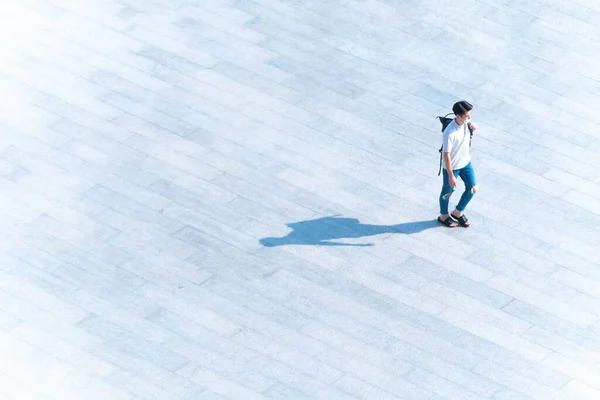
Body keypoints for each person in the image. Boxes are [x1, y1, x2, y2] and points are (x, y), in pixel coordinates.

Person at [438, 101, 478, 228]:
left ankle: (458, 212)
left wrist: (472, 126)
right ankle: (443, 215)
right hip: (452, 167)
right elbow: (446, 155)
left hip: (466, 163)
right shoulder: (449, 133)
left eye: (470, 115)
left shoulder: (466, 123)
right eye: (467, 116)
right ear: (458, 116)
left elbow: (468, 126)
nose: (469, 118)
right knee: (448, 192)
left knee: (472, 188)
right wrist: (451, 176)